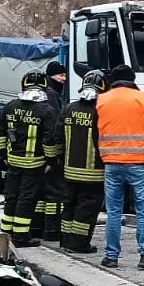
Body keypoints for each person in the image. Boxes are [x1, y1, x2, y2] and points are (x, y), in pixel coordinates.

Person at [96, 63, 144, 270]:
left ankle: (111, 257)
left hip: (112, 164)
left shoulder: (101, 100)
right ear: (132, 79)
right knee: (143, 212)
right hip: (140, 164)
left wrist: (104, 158)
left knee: (114, 212)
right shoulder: (142, 98)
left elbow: (95, 133)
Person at [0, 70, 54, 247]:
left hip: (13, 161)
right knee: (26, 199)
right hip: (34, 164)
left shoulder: (11, 106)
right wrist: (51, 161)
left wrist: (2, 154)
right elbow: (49, 140)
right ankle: (21, 237)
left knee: (11, 196)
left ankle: (6, 233)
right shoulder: (47, 110)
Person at [59, 70, 106, 252]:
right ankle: (79, 244)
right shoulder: (101, 111)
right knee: (86, 211)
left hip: (69, 171)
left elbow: (57, 137)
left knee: (69, 205)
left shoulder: (68, 108)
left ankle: (65, 241)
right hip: (93, 173)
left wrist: (56, 161)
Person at [35, 62, 69, 241]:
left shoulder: (48, 93)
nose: (63, 79)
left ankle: (38, 228)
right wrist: (54, 156)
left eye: (64, 75)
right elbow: (55, 126)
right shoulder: (51, 95)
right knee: (55, 193)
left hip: (41, 151)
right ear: (51, 76)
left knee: (42, 192)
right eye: (60, 75)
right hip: (49, 151)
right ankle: (52, 231)